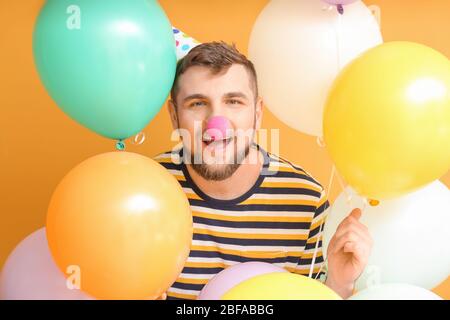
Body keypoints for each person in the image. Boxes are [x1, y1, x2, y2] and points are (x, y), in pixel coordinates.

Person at [155, 42, 372, 300]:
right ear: (174, 115)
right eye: (197, 103)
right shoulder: (144, 190)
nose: (217, 122)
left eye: (233, 101)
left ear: (257, 114)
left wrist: (339, 284)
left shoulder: (306, 202)